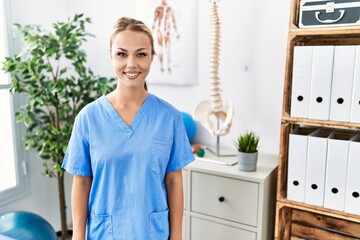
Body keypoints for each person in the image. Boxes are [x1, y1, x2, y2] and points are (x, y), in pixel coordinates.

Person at [62, 17, 194, 240]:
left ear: (152, 57)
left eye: (141, 54)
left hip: (153, 233)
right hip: (105, 233)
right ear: (111, 56)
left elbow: (174, 181)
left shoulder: (169, 117)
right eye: (122, 54)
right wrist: (78, 236)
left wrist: (177, 235)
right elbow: (82, 181)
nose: (131, 64)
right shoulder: (89, 118)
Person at [152, 0, 180, 74]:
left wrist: (177, 33)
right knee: (160, 49)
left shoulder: (169, 9)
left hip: (167, 31)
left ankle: (168, 66)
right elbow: (154, 21)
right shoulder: (158, 8)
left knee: (168, 50)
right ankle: (161, 66)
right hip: (160, 32)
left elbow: (173, 21)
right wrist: (151, 33)